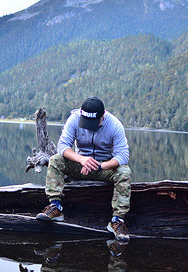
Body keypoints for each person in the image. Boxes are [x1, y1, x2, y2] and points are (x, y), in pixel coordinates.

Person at [36, 97, 132, 242]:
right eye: (86, 122)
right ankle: (55, 207)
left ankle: (117, 220)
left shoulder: (115, 125)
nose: (89, 126)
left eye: (93, 123)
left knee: (124, 172)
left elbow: (123, 156)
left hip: (104, 168)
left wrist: (100, 166)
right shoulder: (74, 119)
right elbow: (62, 146)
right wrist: (81, 159)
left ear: (103, 116)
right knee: (56, 160)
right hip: (79, 166)